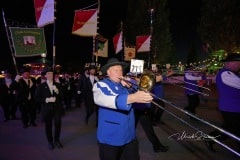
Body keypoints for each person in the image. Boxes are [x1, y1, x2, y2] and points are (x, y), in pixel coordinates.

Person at [92, 58, 153, 160]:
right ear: (108, 72)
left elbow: (140, 105)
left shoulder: (125, 86)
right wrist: (132, 97)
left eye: (121, 70)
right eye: (116, 70)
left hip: (129, 135)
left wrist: (134, 89)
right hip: (110, 137)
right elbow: (105, 99)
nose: (119, 72)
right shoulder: (100, 85)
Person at [204, 53, 240, 152]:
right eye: (238, 63)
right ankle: (210, 138)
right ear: (230, 63)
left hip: (234, 107)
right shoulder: (225, 73)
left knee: (233, 129)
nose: (239, 66)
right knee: (229, 130)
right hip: (230, 108)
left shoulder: (232, 73)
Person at [34, 67, 64, 150]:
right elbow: (36, 98)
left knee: (58, 124)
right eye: (49, 73)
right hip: (47, 109)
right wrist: (46, 99)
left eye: (52, 73)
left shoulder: (57, 84)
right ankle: (50, 141)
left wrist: (57, 91)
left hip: (57, 108)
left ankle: (57, 140)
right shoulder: (41, 86)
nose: (51, 75)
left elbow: (62, 96)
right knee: (48, 125)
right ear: (45, 75)